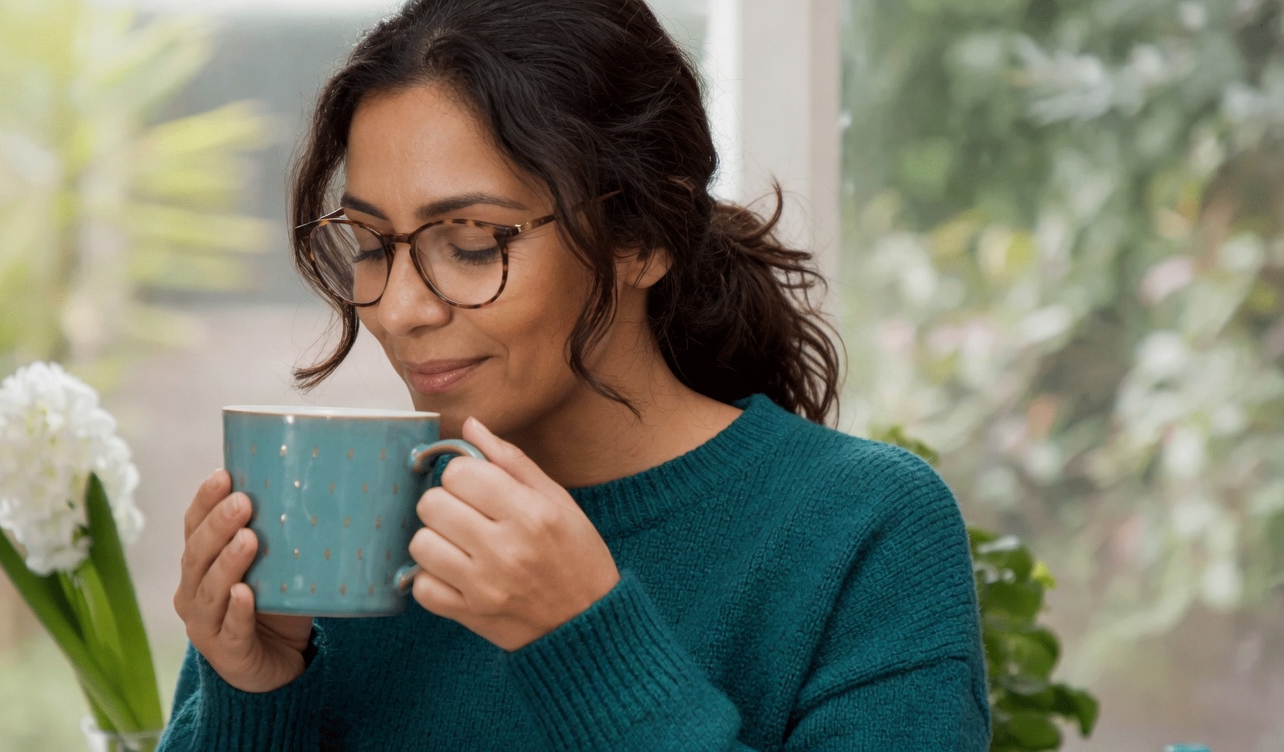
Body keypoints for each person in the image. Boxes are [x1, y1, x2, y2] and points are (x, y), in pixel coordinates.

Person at [160, 0, 991, 749]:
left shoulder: (866, 530)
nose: (399, 309)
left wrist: (584, 641)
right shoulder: (333, 541)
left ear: (643, 236)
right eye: (373, 245)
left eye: (473, 242)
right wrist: (254, 695)